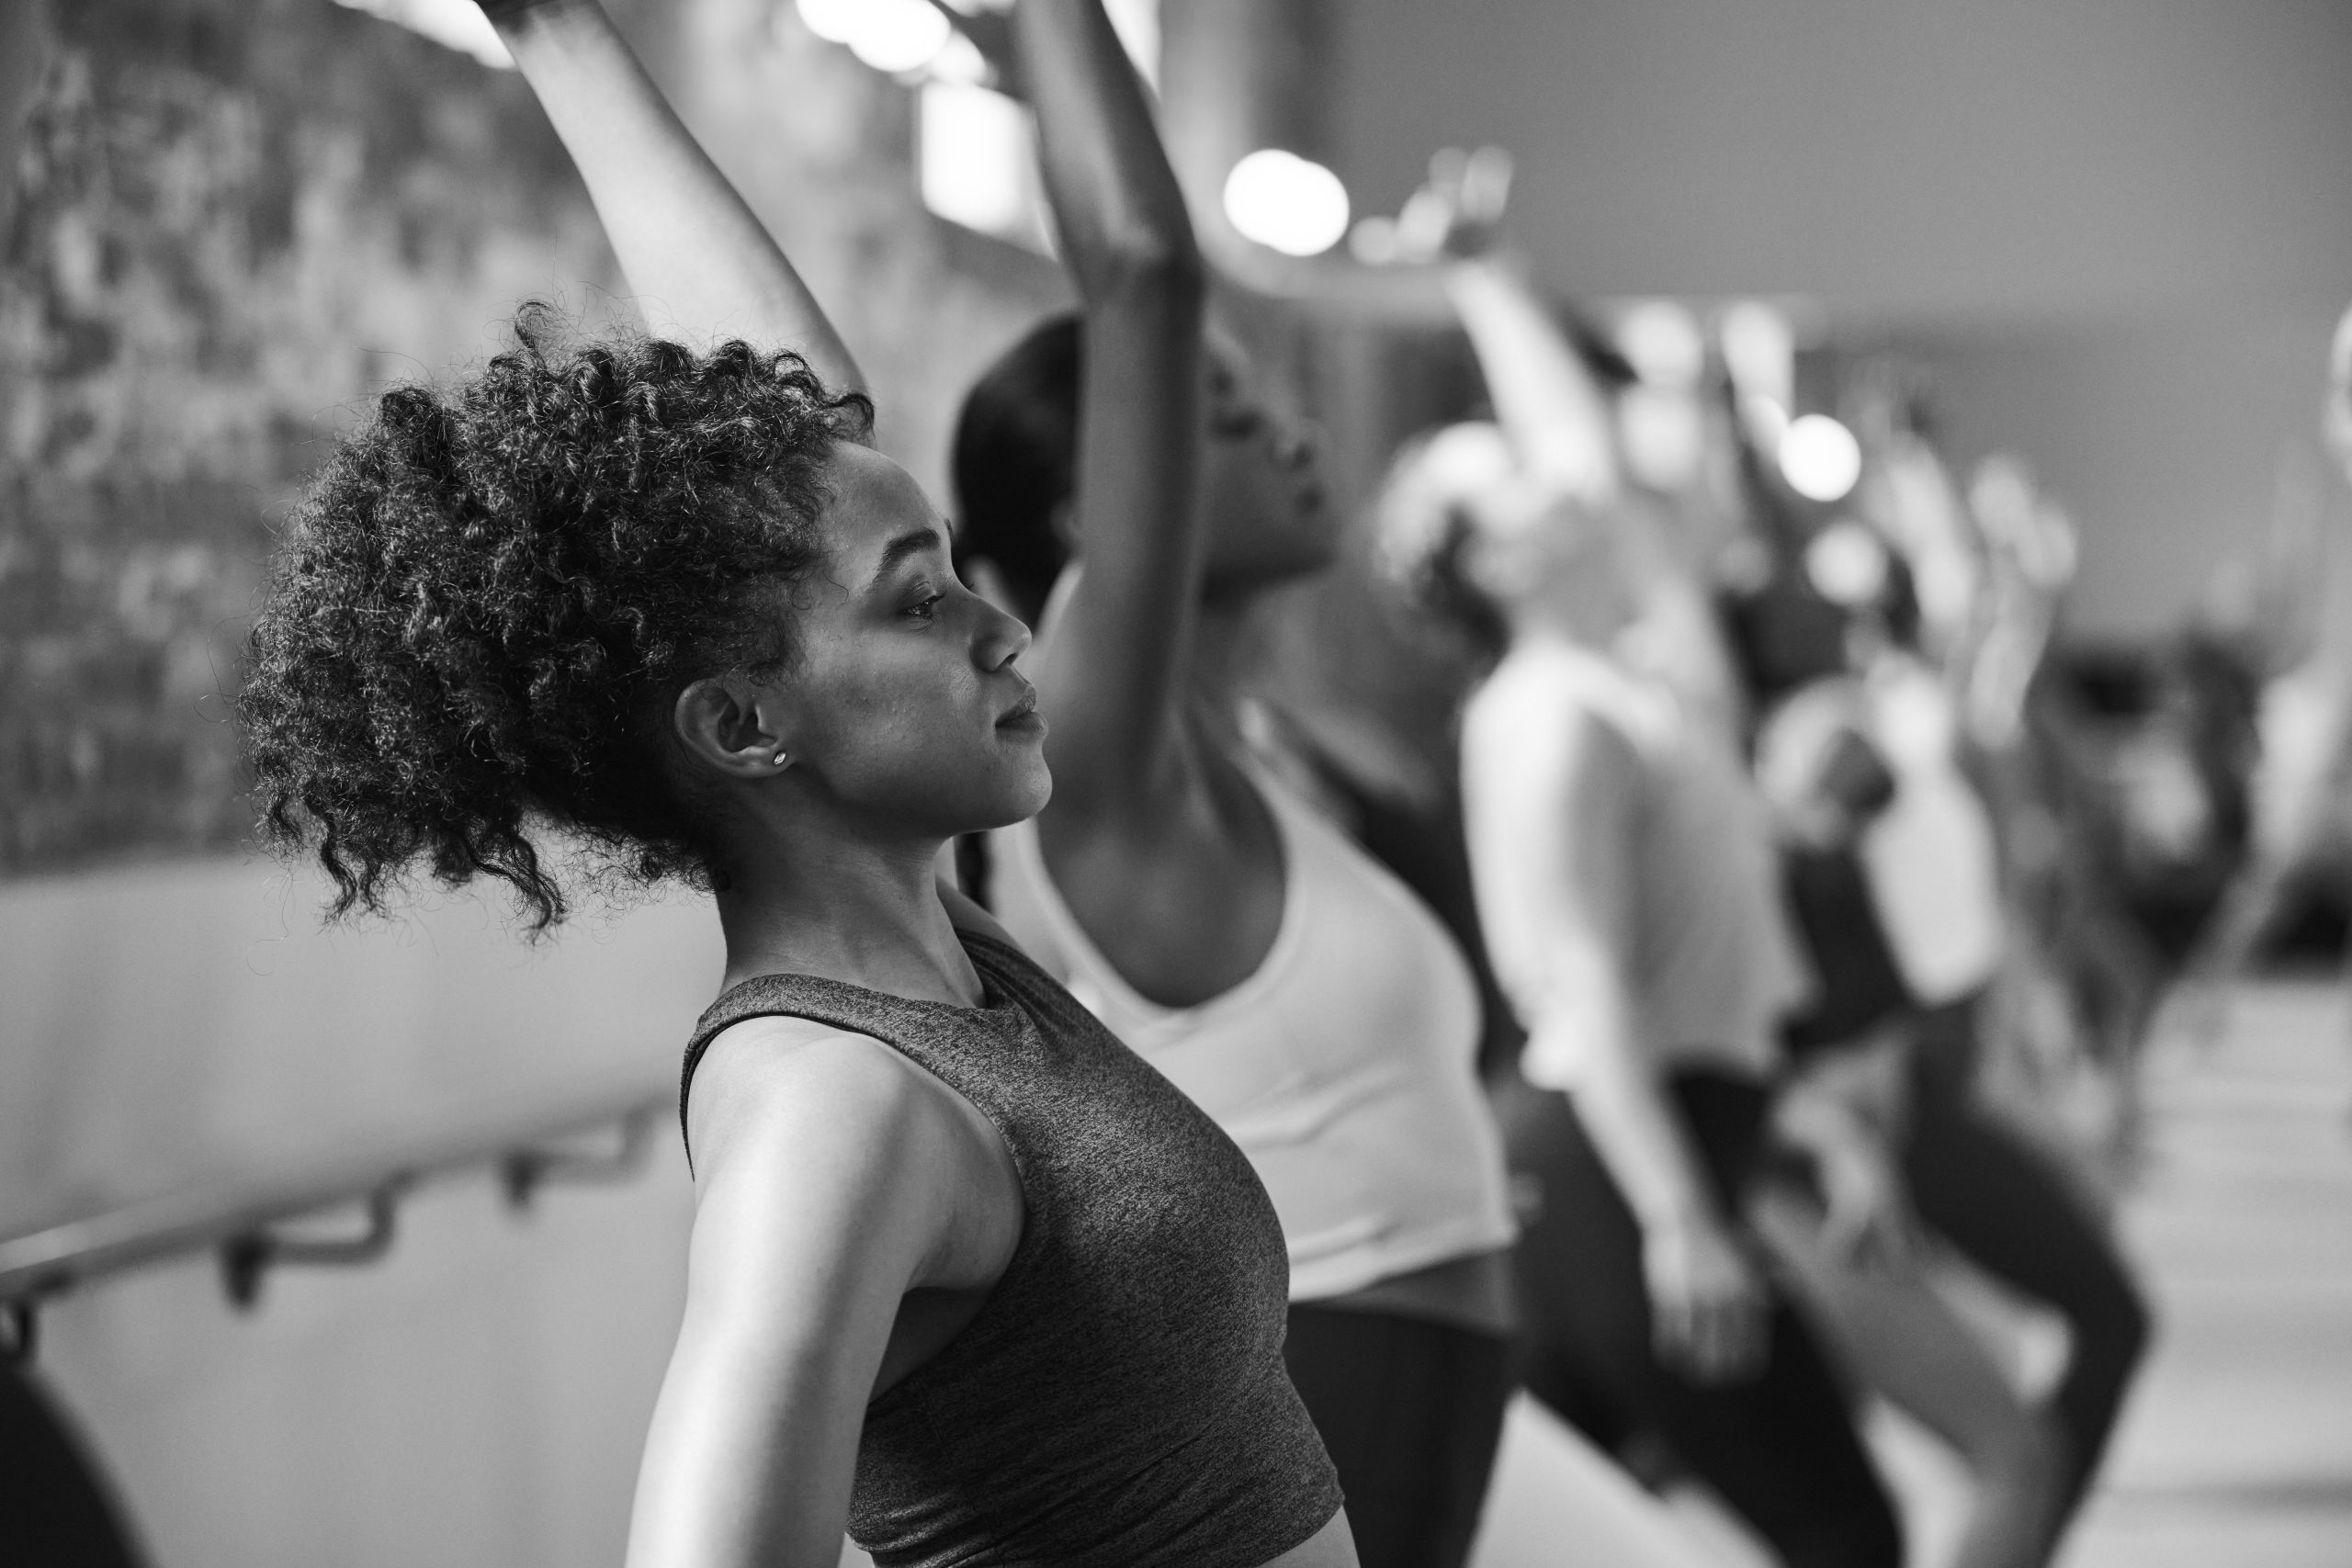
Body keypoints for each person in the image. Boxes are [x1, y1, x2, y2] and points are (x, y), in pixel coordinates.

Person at [237, 3, 1354, 1564]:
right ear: (748, 730)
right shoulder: (835, 1111)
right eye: (919, 602)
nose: (1002, 627)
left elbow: (796, 412)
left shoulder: (946, 961)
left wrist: (558, 30)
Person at [945, 85, 1520, 1568]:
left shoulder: (1270, 752)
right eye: (1222, 419)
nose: (1296, 438)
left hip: (1415, 1388)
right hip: (1327, 1388)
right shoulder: (1101, 765)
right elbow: (1144, 272)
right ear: (1108, 508)